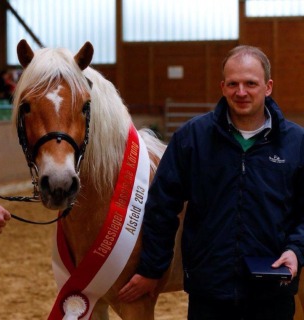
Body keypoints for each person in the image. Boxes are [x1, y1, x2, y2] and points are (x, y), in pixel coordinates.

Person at [118, 45, 304, 320]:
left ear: (268, 87)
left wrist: (295, 251)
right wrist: (152, 270)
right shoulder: (192, 139)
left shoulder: (296, 143)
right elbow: (161, 208)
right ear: (222, 86)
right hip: (209, 294)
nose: (241, 92)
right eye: (233, 84)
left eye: (251, 83)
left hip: (272, 293)